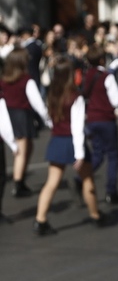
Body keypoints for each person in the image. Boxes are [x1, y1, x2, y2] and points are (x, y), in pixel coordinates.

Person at [33, 59, 104, 235]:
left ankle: (40, 220)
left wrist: (55, 127)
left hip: (57, 140)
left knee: (52, 183)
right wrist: (79, 153)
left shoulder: (52, 94)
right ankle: (95, 214)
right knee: (87, 179)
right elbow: (77, 128)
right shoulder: (75, 97)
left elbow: (48, 117)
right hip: (72, 141)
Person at [0, 48, 51, 197]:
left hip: (10, 114)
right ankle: (18, 183)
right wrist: (47, 119)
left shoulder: (4, 79)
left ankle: (20, 179)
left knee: (27, 147)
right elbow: (37, 103)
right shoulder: (26, 80)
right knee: (22, 150)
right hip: (21, 114)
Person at [81, 44, 118, 204]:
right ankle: (111, 191)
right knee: (113, 155)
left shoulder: (87, 76)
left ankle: (80, 178)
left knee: (97, 153)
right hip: (106, 119)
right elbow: (116, 100)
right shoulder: (107, 76)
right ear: (102, 59)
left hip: (92, 119)